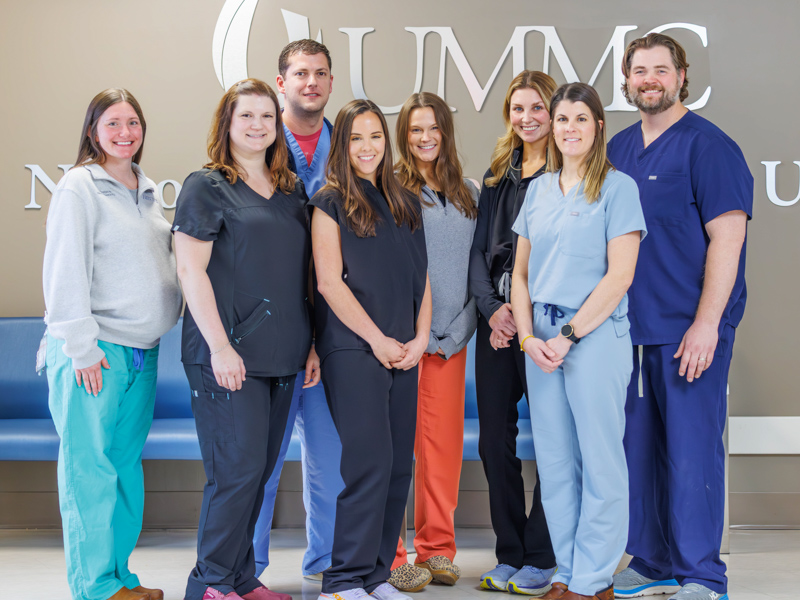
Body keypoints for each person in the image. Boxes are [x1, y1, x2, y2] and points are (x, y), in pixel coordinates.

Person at [607, 33, 752, 600]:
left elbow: (727, 240)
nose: (649, 79)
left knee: (691, 455)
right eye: (639, 70)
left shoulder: (709, 147)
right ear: (626, 79)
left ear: (681, 75)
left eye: (660, 70)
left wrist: (706, 323)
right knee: (638, 452)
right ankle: (651, 561)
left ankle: (701, 576)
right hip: (628, 331)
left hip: (689, 331)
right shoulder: (617, 148)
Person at [173, 78, 317, 600]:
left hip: (284, 356)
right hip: (226, 356)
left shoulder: (289, 190)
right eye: (246, 117)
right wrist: (219, 348)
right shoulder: (206, 186)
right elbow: (191, 273)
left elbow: (299, 274)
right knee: (234, 474)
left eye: (265, 117)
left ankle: (239, 578)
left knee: (258, 473)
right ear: (226, 125)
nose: (257, 126)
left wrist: (312, 346)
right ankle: (210, 584)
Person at [43, 88, 182, 600]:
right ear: (92, 131)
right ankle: (95, 587)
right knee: (90, 472)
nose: (125, 133)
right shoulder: (80, 186)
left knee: (123, 471)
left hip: (142, 353)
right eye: (113, 124)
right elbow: (63, 273)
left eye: (133, 123)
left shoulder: (144, 190)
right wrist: (82, 348)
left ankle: (120, 575)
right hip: (95, 353)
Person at [510, 82, 646, 600]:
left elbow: (619, 276)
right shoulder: (538, 191)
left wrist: (568, 335)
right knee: (556, 461)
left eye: (580, 120)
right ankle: (565, 573)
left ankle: (593, 579)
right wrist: (527, 337)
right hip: (540, 342)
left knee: (599, 458)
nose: (569, 129)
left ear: (598, 127)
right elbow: (519, 276)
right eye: (561, 119)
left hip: (592, 338)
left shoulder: (619, 188)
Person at [310, 99, 432, 600]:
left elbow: (422, 280)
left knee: (399, 464)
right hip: (354, 349)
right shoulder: (328, 202)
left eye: (375, 137)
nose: (367, 147)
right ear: (342, 144)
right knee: (369, 462)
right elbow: (329, 284)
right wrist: (377, 340)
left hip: (405, 350)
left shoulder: (405, 199)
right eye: (356, 138)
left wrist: (421, 338)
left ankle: (376, 575)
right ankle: (341, 581)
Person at [253, 38, 345, 584]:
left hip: (334, 333)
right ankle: (248, 571)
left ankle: (328, 566)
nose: (311, 82)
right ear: (281, 82)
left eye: (321, 74)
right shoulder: (258, 143)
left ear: (331, 84)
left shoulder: (353, 147)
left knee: (331, 465)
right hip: (272, 332)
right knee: (258, 466)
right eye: (300, 73)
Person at [467, 70, 558, 595]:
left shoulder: (570, 173)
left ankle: (542, 555)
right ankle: (511, 551)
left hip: (543, 322)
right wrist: (492, 310)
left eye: (538, 108)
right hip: (497, 323)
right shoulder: (498, 173)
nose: (527, 119)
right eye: (518, 109)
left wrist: (520, 316)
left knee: (550, 438)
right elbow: (481, 250)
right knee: (492, 441)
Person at [388, 91, 479, 592]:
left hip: (453, 339)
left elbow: (478, 266)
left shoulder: (467, 192)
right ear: (404, 135)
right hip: (406, 343)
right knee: (400, 447)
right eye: (415, 130)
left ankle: (438, 549)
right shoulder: (392, 190)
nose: (425, 138)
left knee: (442, 449)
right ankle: (395, 554)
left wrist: (459, 327)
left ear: (445, 131)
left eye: (433, 128)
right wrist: (416, 335)